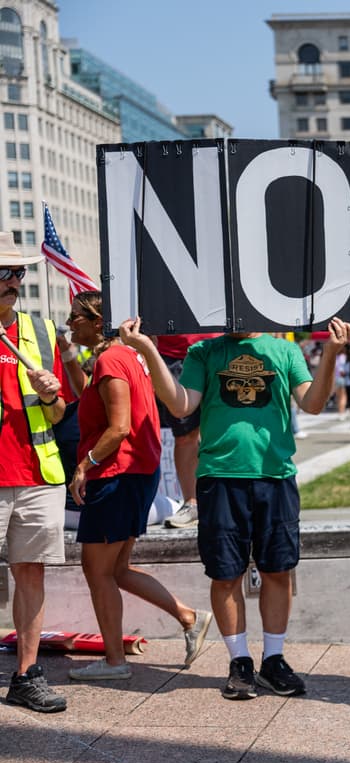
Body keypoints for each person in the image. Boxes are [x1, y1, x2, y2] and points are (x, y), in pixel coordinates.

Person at [119, 314, 350, 701]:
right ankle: (239, 660)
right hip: (220, 478)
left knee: (278, 570)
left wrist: (329, 354)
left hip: (275, 476)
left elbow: (311, 404)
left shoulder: (284, 349)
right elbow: (180, 405)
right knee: (225, 574)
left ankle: (273, 659)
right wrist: (148, 348)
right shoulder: (204, 351)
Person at [64, 292, 211, 681]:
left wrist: (84, 465)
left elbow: (119, 427)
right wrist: (66, 359)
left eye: (75, 316)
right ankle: (189, 617)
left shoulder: (112, 358)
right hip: (134, 475)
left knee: (97, 571)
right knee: (118, 569)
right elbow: (93, 403)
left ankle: (115, 661)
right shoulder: (129, 357)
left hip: (116, 475)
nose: (68, 323)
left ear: (98, 322)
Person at [0, 234, 69, 712]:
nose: (14, 282)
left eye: (18, 273)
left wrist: (50, 395)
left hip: (37, 475)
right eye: (4, 274)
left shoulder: (41, 333)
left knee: (32, 574)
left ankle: (26, 674)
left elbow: (60, 412)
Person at [155, 334, 214, 529]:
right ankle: (192, 503)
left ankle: (226, 498)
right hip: (174, 354)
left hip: (219, 346)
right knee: (184, 435)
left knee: (225, 427)